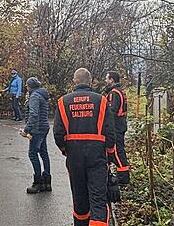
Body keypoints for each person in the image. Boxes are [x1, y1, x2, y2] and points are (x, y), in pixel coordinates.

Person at [53, 68, 116, 226]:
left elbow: (58, 134)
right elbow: (110, 133)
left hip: (74, 156)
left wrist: (65, 150)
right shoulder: (101, 101)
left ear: (74, 81)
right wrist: (109, 155)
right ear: (91, 81)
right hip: (97, 155)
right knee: (98, 200)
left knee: (80, 200)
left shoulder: (63, 102)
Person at [20, 76, 52, 194]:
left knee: (32, 154)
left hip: (37, 129)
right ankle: (47, 182)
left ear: (30, 87)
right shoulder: (42, 95)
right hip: (44, 127)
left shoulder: (34, 96)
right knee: (44, 153)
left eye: (27, 86)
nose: (26, 88)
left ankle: (37, 183)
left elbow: (33, 114)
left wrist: (26, 130)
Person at [104, 71, 131, 186]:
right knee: (118, 149)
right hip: (121, 123)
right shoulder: (120, 91)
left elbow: (112, 110)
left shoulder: (114, 93)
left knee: (117, 150)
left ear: (111, 80)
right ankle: (112, 173)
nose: (105, 81)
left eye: (107, 78)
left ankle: (123, 177)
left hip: (116, 125)